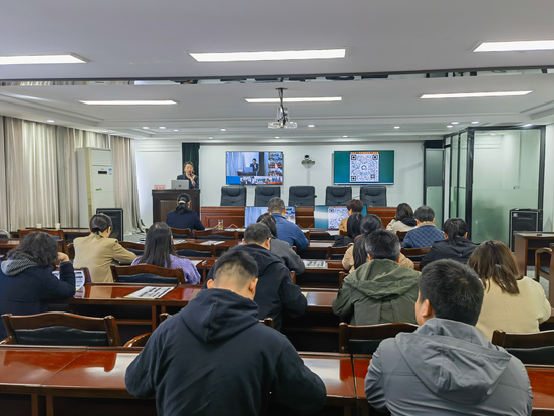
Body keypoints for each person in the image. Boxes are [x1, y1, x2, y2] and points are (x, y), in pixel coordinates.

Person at [125, 250, 326, 416]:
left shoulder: (166, 330)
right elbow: (312, 397)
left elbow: (135, 384)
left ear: (210, 284)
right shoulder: (272, 342)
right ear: (253, 286)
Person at [365, 259, 533, 416]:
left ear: (426, 307)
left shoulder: (389, 353)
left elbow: (375, 399)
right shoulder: (515, 371)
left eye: (418, 298)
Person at [204, 223, 307, 331]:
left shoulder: (220, 265)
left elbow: (205, 300)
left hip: (221, 330)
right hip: (264, 334)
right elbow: (298, 307)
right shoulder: (278, 268)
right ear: (268, 242)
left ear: (243, 242)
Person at [468, 240, 552, 341]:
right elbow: (546, 315)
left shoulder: (472, 288)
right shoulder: (532, 285)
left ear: (475, 263)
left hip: (486, 350)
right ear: (511, 261)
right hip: (530, 349)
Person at [333, 230, 420, 325]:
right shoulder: (419, 279)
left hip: (363, 334)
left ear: (369, 257)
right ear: (399, 258)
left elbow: (338, 309)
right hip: (408, 334)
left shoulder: (352, 279)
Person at [0, 232, 76, 340]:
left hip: (3, 336)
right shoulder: (41, 275)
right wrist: (65, 260)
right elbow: (69, 289)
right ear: (50, 253)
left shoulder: (2, 266)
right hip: (24, 339)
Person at [73, 214, 136, 283]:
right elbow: (133, 258)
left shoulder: (77, 241)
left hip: (78, 286)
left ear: (90, 229)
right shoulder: (110, 243)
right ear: (108, 229)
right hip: (101, 287)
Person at [131, 222, 200, 285]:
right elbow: (195, 283)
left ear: (147, 241)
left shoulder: (136, 263)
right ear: (171, 240)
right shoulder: (184, 264)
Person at [343, 214, 413, 273]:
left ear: (361, 230)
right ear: (380, 230)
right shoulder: (389, 246)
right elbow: (409, 265)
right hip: (385, 283)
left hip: (357, 284)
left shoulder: (353, 248)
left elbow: (345, 265)